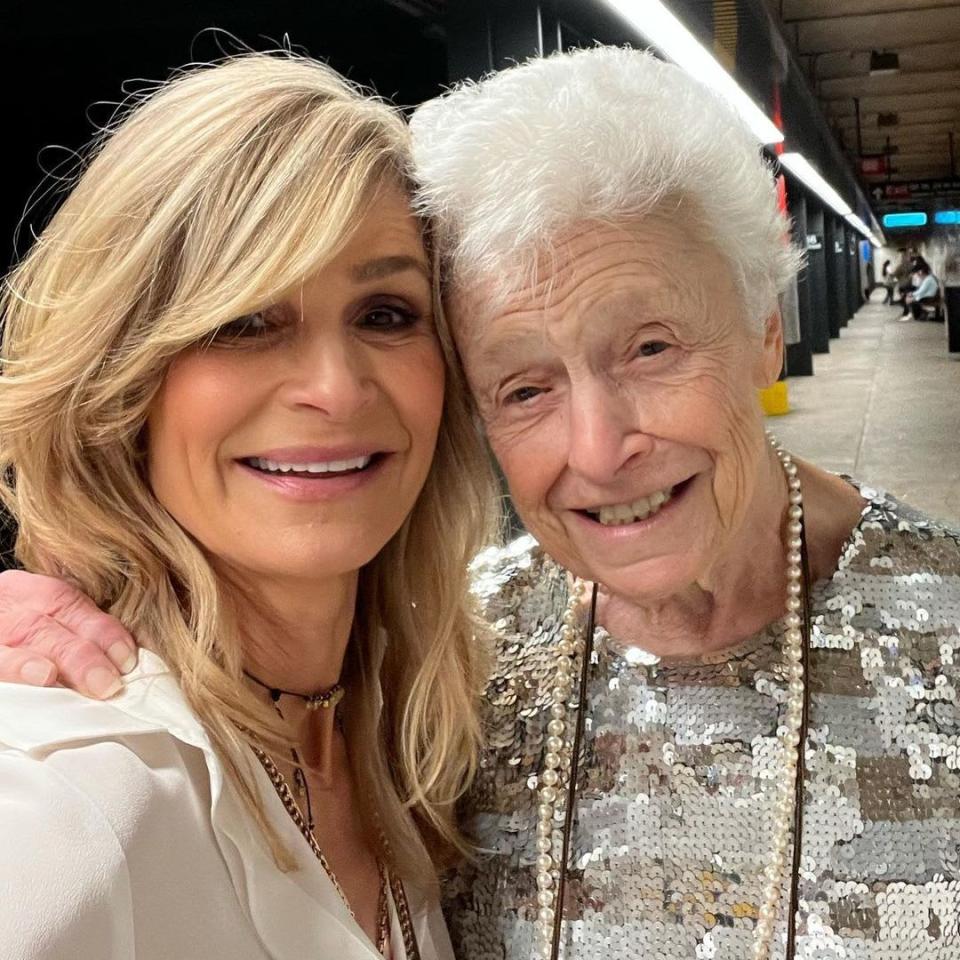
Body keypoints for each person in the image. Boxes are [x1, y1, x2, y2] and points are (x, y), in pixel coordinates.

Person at [4, 47, 960, 960]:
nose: (600, 449)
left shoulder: (406, 687)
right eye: (524, 386)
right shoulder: (474, 651)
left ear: (764, 331)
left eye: (651, 348)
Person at [0, 52, 497, 959]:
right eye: (243, 322)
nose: (335, 390)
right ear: (120, 381)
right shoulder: (68, 796)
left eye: (385, 313)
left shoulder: (413, 737)